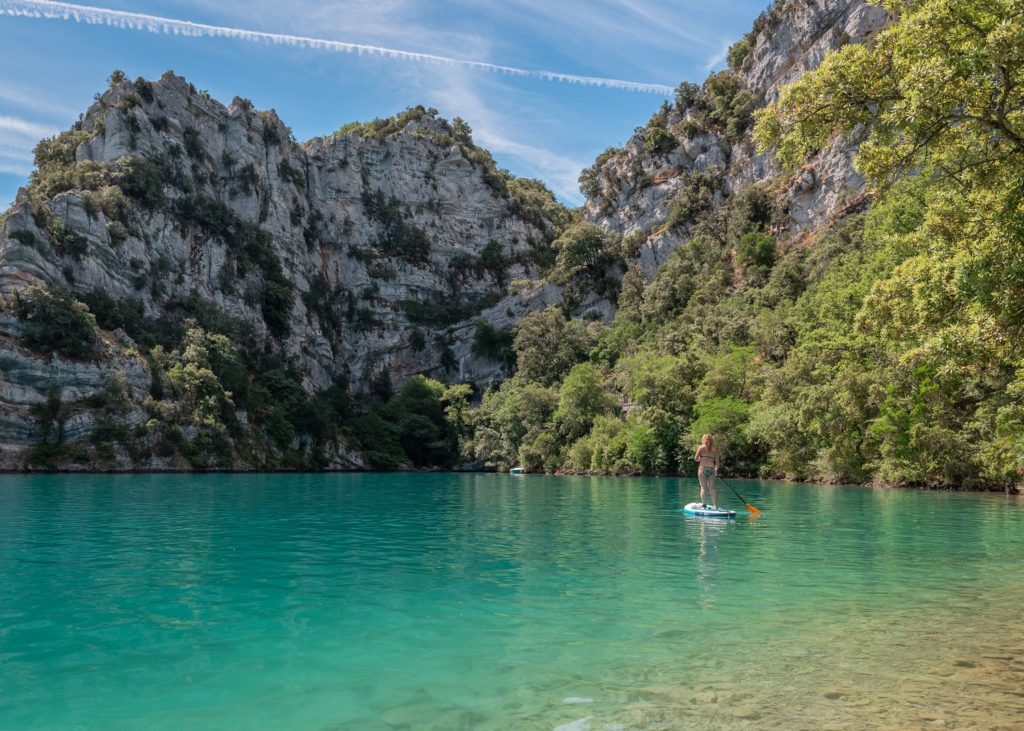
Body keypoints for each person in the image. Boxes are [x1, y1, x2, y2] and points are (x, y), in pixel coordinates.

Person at [694, 434, 719, 508]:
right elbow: (717, 463)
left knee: (703, 487)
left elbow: (696, 458)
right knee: (712, 488)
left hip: (702, 469)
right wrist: (716, 470)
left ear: (703, 439)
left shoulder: (701, 448)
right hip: (712, 469)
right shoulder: (715, 449)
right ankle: (716, 505)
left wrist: (701, 459)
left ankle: (704, 505)